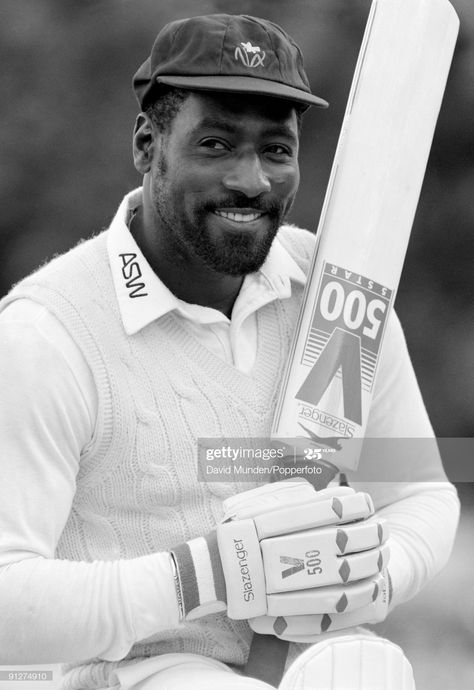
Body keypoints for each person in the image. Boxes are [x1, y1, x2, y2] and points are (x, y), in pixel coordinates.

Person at [0, 13, 459, 690]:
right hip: (132, 671)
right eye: (216, 144)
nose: (253, 180)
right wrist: (206, 574)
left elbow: (420, 493)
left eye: (276, 149)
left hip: (314, 660)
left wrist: (363, 574)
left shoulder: (338, 294)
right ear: (147, 143)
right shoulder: (50, 334)